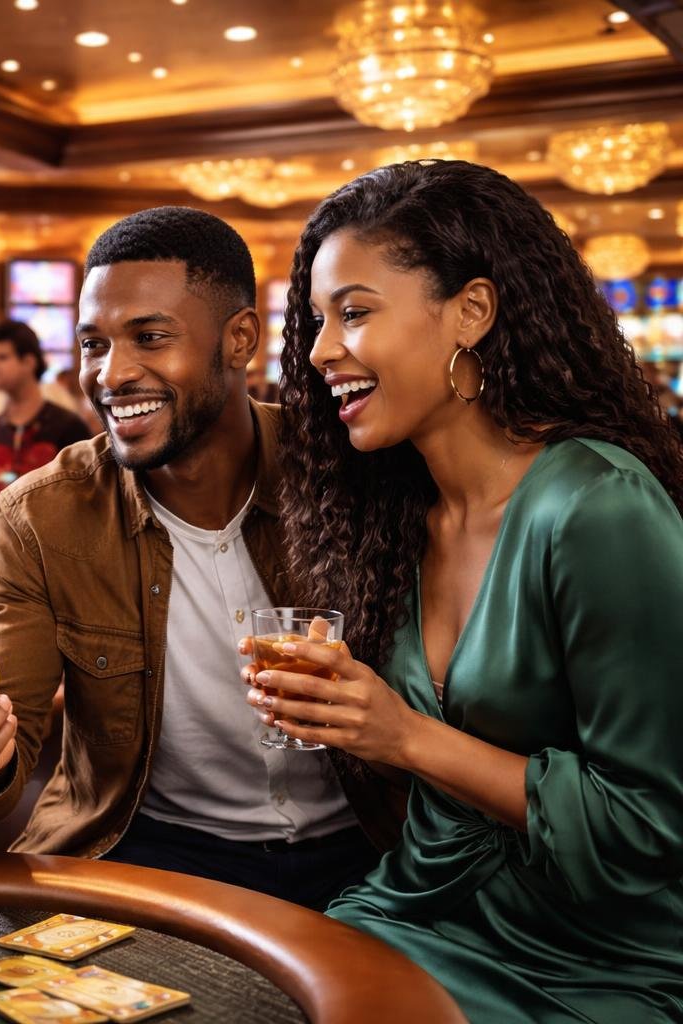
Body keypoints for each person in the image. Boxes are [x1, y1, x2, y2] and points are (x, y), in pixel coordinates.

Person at [253, 160, 683, 1021]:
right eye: (315, 321)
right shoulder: (400, 516)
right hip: (415, 908)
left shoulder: (596, 505)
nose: (319, 350)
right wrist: (349, 724)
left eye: (355, 312)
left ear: (472, 313)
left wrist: (403, 736)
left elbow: (651, 828)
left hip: (593, 958)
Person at [0, 208, 402, 911]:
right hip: (152, 852)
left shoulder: (346, 470)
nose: (111, 374)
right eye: (92, 344)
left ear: (238, 340)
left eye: (150, 337)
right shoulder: (39, 519)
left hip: (370, 845)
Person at [0, 320, 92, 543]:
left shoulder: (68, 427)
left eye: (2, 358)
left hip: (54, 554)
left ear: (29, 361)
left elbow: (89, 498)